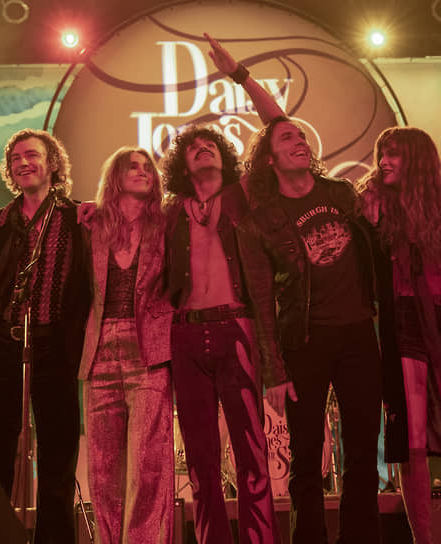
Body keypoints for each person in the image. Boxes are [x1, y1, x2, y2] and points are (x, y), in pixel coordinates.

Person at [229, 75, 384, 544]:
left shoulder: (341, 194)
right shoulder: (261, 221)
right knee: (307, 456)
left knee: (363, 452)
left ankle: (360, 538)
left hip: (359, 335)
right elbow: (260, 300)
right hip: (305, 341)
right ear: (269, 159)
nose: (298, 141)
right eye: (286, 138)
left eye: (300, 135)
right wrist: (274, 371)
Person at [160, 35, 286, 542]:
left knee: (252, 454)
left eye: (209, 143)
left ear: (224, 156)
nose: (202, 147)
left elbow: (278, 129)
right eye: (192, 147)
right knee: (201, 463)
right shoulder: (170, 213)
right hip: (186, 336)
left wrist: (240, 75)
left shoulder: (243, 194)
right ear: (182, 164)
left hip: (237, 329)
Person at [0, 128, 92, 544]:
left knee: (57, 460)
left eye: (32, 155)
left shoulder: (79, 218)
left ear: (53, 164)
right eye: (15, 159)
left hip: (56, 349)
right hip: (0, 347)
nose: (23, 163)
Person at [360, 127, 441, 544]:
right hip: (405, 318)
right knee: (411, 437)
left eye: (393, 154)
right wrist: (370, 221)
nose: (383, 162)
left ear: (416, 159)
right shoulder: (376, 205)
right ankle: (423, 540)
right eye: (381, 154)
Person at [77, 147, 173, 543]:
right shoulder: (91, 225)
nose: (143, 171)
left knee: (148, 465)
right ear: (115, 176)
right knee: (103, 470)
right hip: (99, 352)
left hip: (148, 351)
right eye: (133, 166)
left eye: (148, 167)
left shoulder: (165, 225)